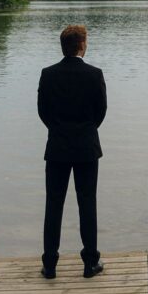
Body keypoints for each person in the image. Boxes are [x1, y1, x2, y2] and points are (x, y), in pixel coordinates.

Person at [37, 24, 107, 279]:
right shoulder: (94, 74)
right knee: (87, 204)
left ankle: (50, 265)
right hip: (87, 147)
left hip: (57, 146)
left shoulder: (48, 74)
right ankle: (90, 263)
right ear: (81, 45)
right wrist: (85, 130)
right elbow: (101, 112)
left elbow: (43, 111)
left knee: (53, 204)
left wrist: (59, 130)